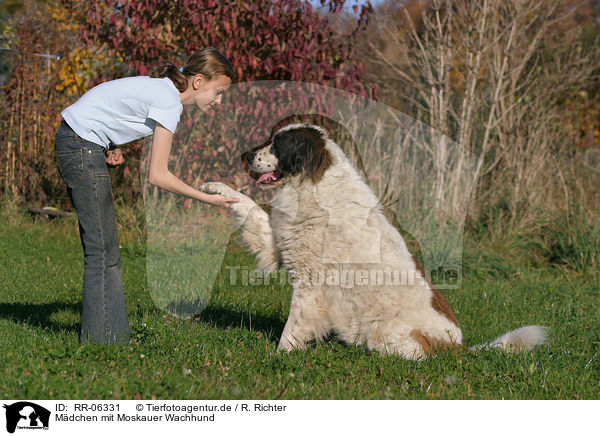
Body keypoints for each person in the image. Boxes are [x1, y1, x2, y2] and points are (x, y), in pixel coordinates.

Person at [54, 47, 239, 345]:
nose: (218, 102)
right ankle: (103, 343)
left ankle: (111, 338)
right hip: (79, 145)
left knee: (105, 250)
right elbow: (158, 175)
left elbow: (111, 106)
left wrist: (109, 143)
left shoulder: (163, 90)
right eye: (218, 93)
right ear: (199, 81)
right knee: (102, 251)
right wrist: (209, 199)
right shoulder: (169, 102)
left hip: (82, 142)